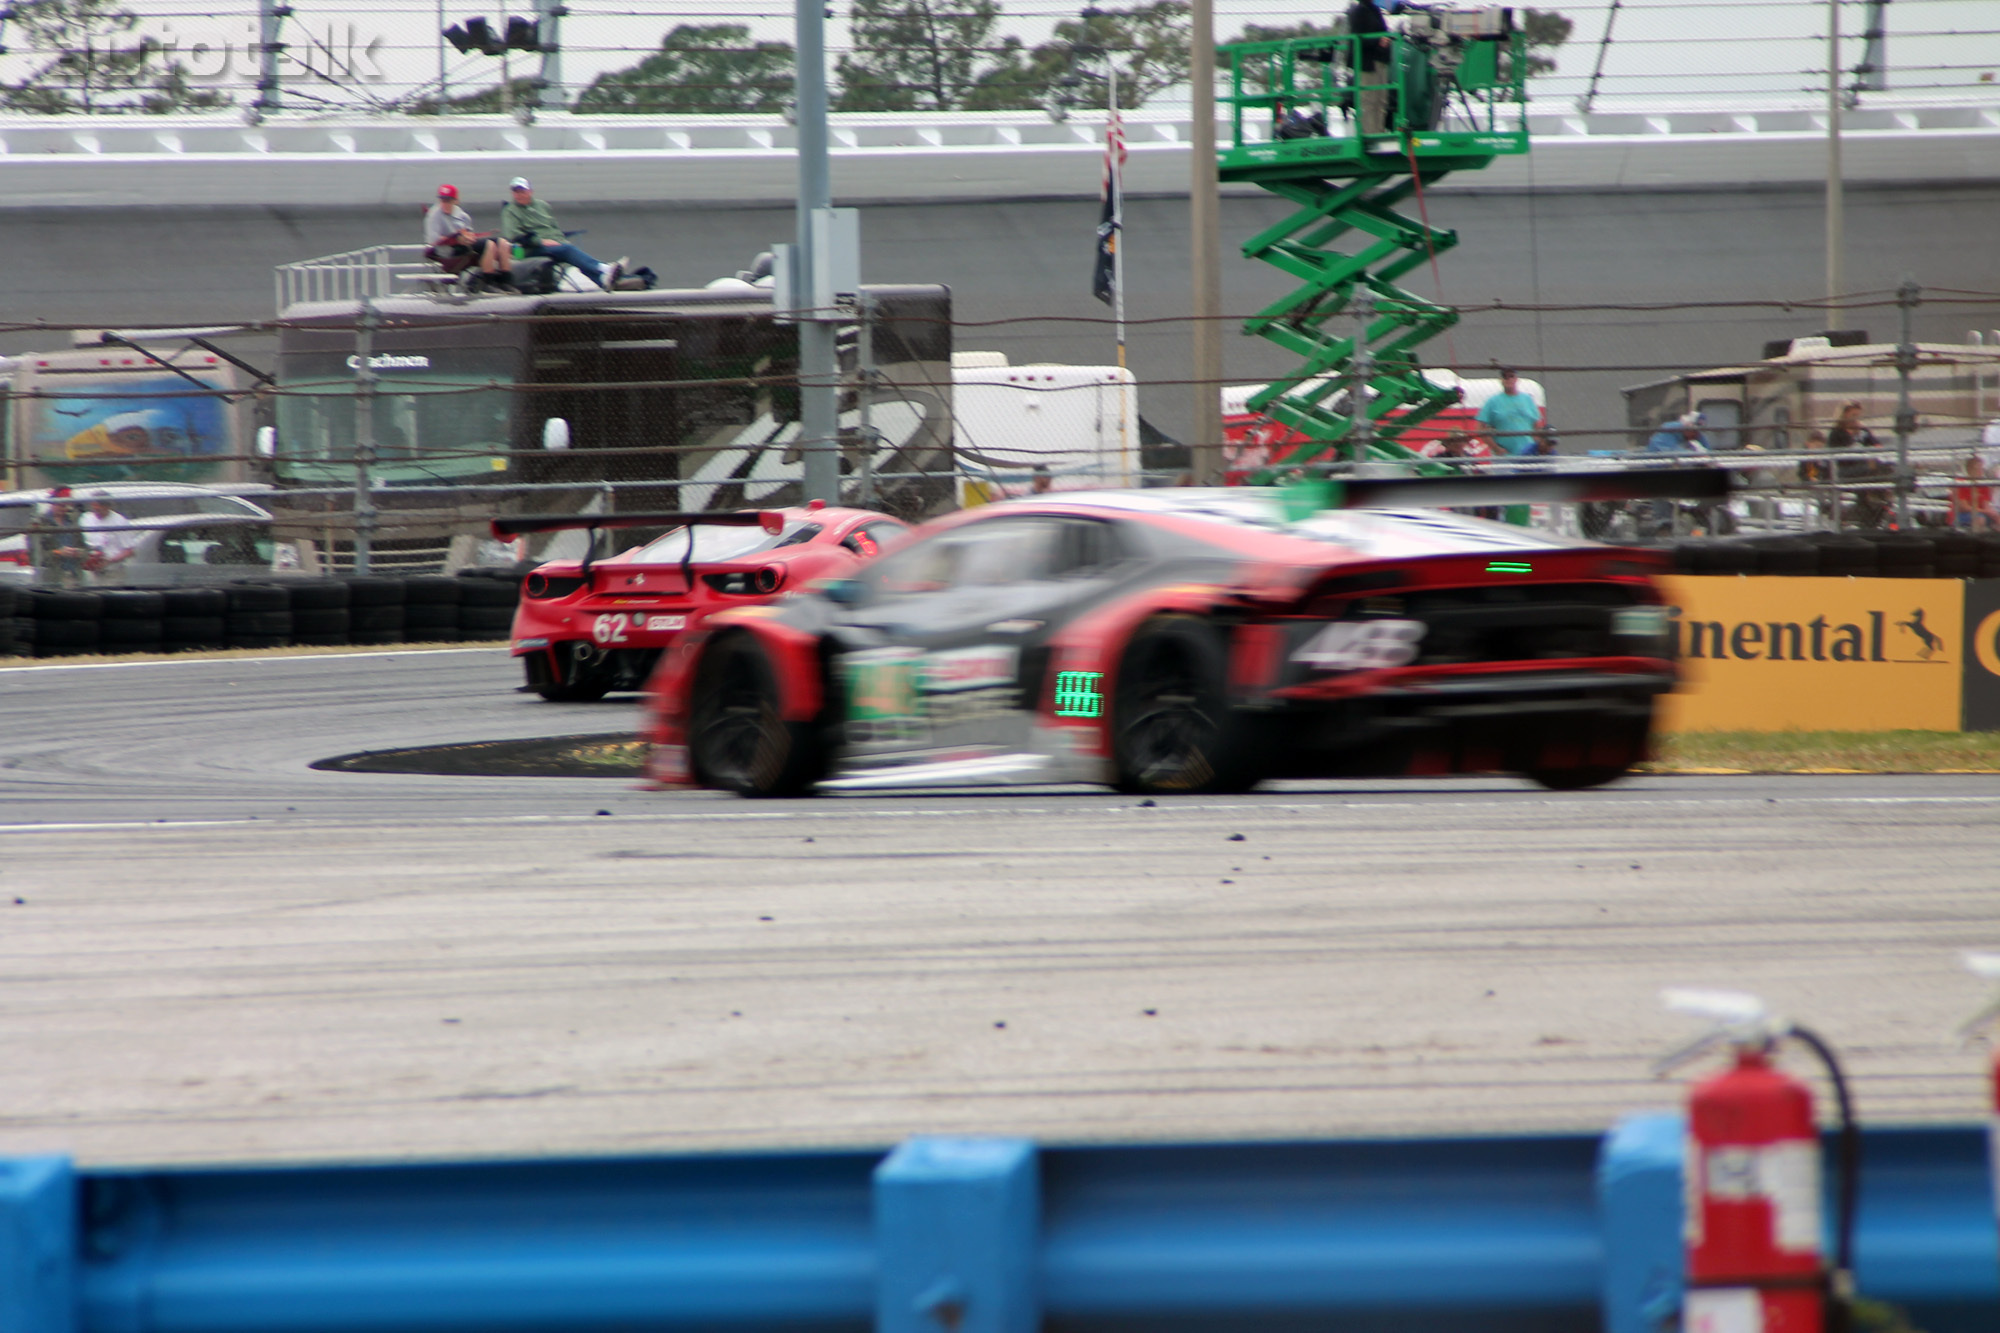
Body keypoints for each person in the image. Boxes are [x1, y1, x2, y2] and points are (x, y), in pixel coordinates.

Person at [498, 178, 623, 291]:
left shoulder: (542, 206)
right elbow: (513, 235)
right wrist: (540, 241)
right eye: (515, 192)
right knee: (568, 250)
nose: (518, 195)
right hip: (527, 249)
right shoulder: (510, 211)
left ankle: (603, 280)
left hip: (555, 245)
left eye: (522, 191)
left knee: (571, 254)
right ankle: (604, 268)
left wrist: (561, 240)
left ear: (530, 191)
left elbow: (554, 227)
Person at [424, 183, 512, 287]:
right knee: (489, 245)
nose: (445, 204)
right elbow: (433, 240)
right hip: (446, 251)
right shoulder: (434, 216)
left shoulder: (461, 215)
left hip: (463, 247)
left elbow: (469, 233)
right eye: (442, 200)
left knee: (502, 243)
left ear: (455, 201)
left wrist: (467, 238)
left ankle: (506, 281)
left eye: (448, 200)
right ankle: (488, 283)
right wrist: (456, 239)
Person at [1827, 400, 1892, 527]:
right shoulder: (1837, 433)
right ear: (1844, 415)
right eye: (1853, 415)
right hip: (1845, 470)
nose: (1856, 418)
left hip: (1866, 467)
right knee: (1872, 469)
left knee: (1883, 467)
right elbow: (1842, 457)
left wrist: (1871, 451)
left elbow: (1877, 445)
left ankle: (1881, 499)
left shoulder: (1863, 431)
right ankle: (1876, 497)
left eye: (1858, 415)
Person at [1475, 368, 1546, 457]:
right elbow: (1480, 428)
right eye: (1505, 377)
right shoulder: (1492, 401)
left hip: (1528, 455)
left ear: (1516, 379)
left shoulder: (1528, 399)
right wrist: (1496, 448)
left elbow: (1536, 426)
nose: (1508, 379)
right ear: (1501, 380)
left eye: (1511, 376)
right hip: (1505, 456)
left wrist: (1536, 447)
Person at [1345, 0, 1391, 135]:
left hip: (1380, 60)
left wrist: (1386, 40)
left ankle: (1379, 130)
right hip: (1367, 63)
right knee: (1369, 99)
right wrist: (1378, 41)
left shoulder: (1374, 10)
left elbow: (1383, 30)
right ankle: (1369, 133)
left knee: (1381, 99)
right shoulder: (1358, 12)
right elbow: (1358, 38)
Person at [78, 491, 142, 584]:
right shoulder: (85, 519)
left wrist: (109, 561)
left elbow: (130, 551)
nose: (96, 508)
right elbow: (80, 543)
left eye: (100, 505)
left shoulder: (120, 521)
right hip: (90, 571)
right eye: (94, 505)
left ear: (108, 506)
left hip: (112, 572)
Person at [1952, 454, 1998, 531]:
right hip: (1964, 514)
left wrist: (1992, 513)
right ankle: (1975, 539)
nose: (1980, 471)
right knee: (1980, 518)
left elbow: (1986, 505)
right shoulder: (1962, 484)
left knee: (1997, 517)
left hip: (1981, 512)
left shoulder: (1983, 485)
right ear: (1969, 469)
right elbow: (1964, 507)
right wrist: (1985, 511)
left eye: (1981, 468)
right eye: (1977, 468)